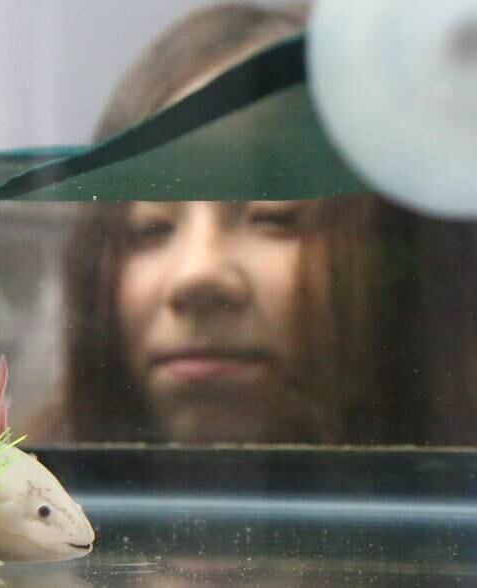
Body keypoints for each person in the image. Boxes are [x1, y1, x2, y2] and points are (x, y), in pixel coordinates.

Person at [53, 2, 477, 446]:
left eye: (274, 218)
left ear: (399, 265)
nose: (196, 274)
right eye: (150, 229)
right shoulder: (3, 496)